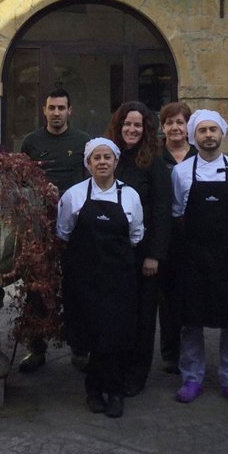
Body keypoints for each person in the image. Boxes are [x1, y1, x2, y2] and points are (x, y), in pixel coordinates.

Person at [58, 137, 144, 418]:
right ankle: (94, 391)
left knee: (116, 335)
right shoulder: (74, 196)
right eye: (97, 158)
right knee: (92, 334)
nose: (103, 162)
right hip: (85, 278)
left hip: (119, 278)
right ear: (88, 163)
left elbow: (136, 235)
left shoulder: (130, 196)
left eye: (108, 157)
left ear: (116, 162)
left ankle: (115, 392)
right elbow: (64, 232)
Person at [171, 110, 228, 406]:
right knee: (192, 319)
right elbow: (178, 213)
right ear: (194, 136)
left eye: (213, 130)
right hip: (193, 254)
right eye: (202, 130)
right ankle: (192, 378)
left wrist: (221, 235)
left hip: (227, 253)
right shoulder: (181, 172)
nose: (208, 135)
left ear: (222, 133)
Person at [17, 88, 89, 373]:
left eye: (61, 108)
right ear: (44, 110)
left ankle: (80, 347)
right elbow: (20, 181)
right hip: (40, 227)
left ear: (70, 110)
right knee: (36, 288)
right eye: (52, 108)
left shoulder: (83, 141)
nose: (56, 113)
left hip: (76, 228)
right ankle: (36, 348)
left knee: (77, 287)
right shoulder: (31, 142)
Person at [105, 101, 172, 397]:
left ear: (146, 130)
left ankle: (136, 374)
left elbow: (161, 210)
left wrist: (154, 254)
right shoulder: (109, 157)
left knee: (143, 317)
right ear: (118, 126)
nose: (131, 129)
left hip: (144, 253)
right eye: (127, 124)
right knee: (115, 312)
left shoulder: (153, 162)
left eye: (137, 125)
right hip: (112, 253)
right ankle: (113, 367)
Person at [156, 100, 195, 373]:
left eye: (180, 122)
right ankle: (170, 352)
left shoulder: (199, 156)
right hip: (165, 234)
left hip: (193, 235)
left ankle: (192, 350)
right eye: (169, 123)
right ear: (163, 127)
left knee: (191, 294)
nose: (175, 127)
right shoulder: (155, 157)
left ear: (188, 126)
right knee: (167, 296)